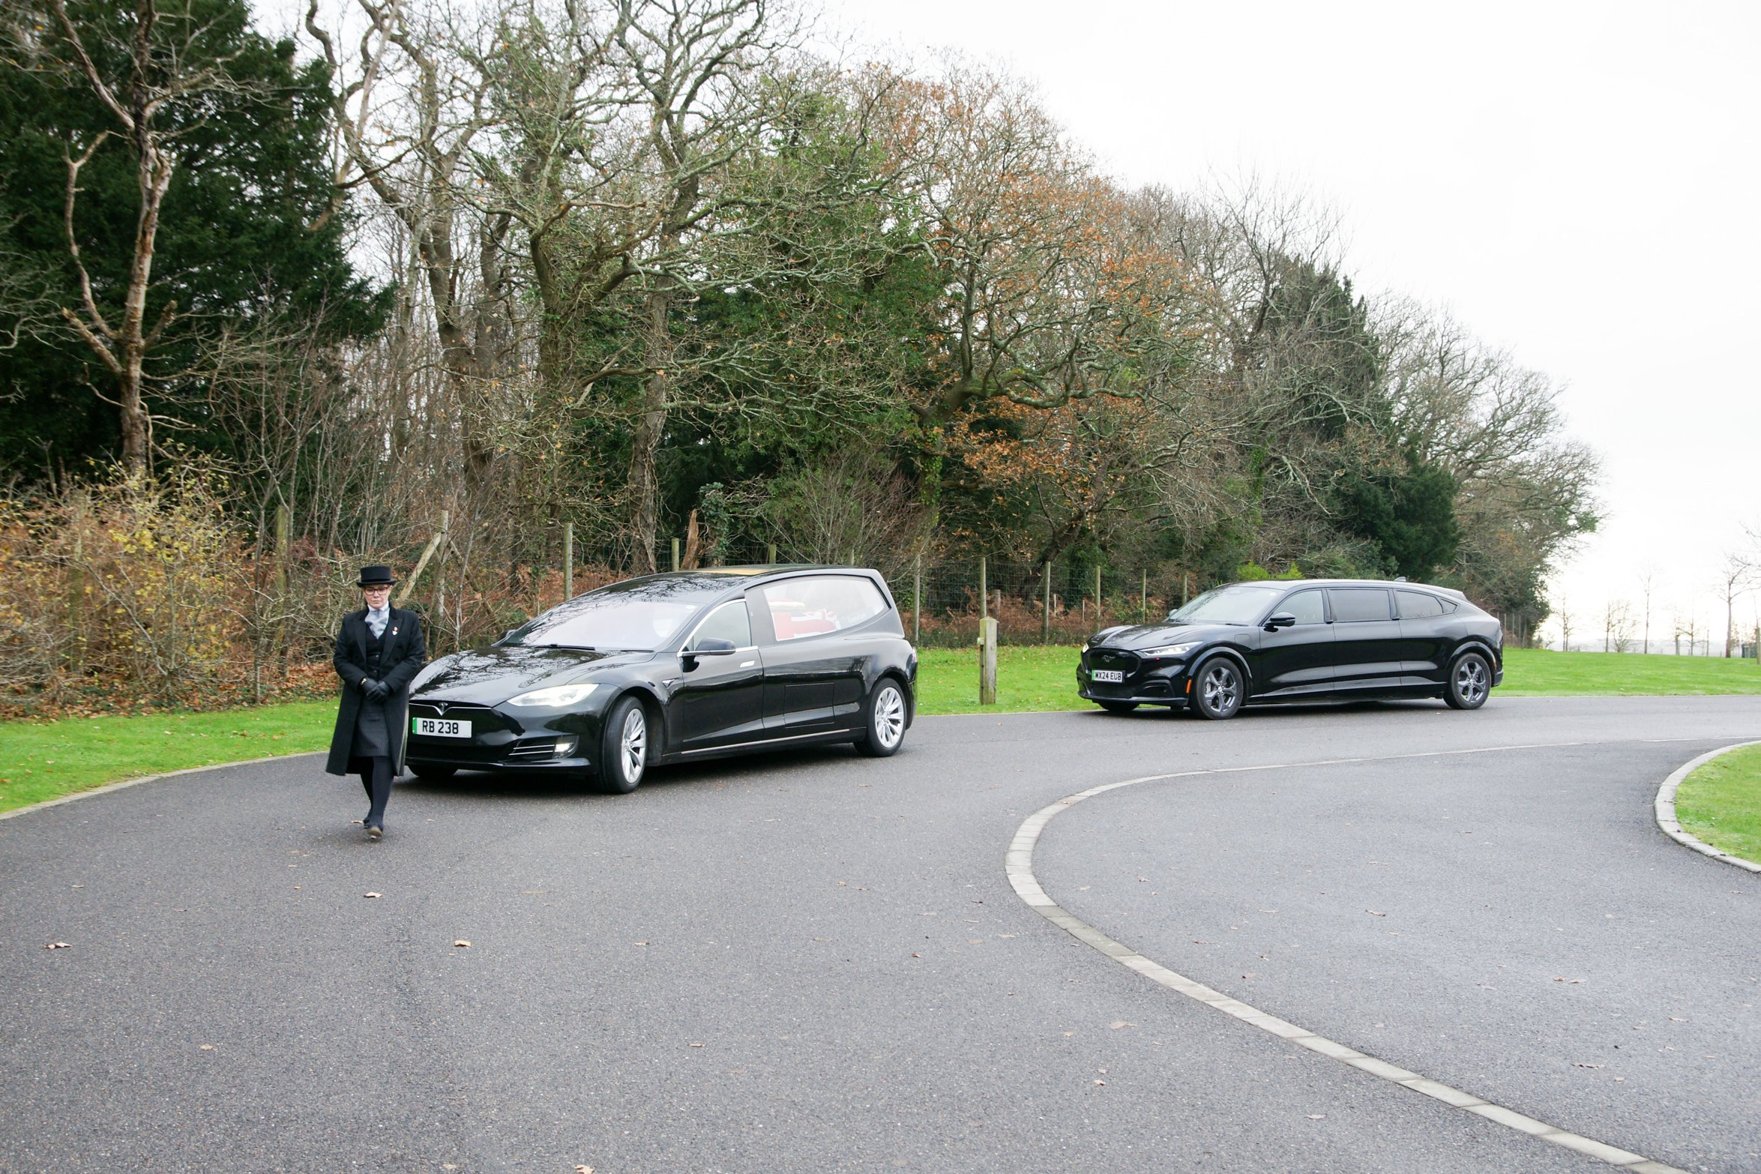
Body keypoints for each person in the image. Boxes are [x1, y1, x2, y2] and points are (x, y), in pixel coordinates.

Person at [325, 565, 426, 840]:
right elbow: (340, 659)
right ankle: (374, 808)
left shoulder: (407, 620)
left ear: (390, 590)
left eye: (381, 589)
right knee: (365, 756)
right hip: (360, 698)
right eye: (371, 590)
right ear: (364, 593)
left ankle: (378, 817)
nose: (376, 594)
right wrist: (363, 682)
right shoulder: (351, 622)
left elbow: (415, 656)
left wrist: (389, 684)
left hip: (390, 699)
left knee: (383, 752)